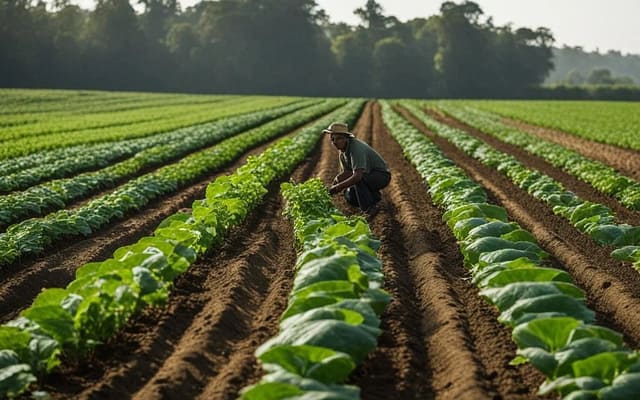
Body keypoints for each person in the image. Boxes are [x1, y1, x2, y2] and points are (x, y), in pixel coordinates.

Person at [324, 122, 391, 215]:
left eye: (338, 138)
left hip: (381, 176)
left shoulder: (355, 148)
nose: (335, 142)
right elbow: (347, 172)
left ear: (346, 138)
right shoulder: (343, 153)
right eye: (332, 139)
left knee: (358, 180)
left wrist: (337, 187)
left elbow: (357, 176)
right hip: (369, 176)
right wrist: (336, 181)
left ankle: (369, 208)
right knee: (350, 196)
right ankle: (375, 198)